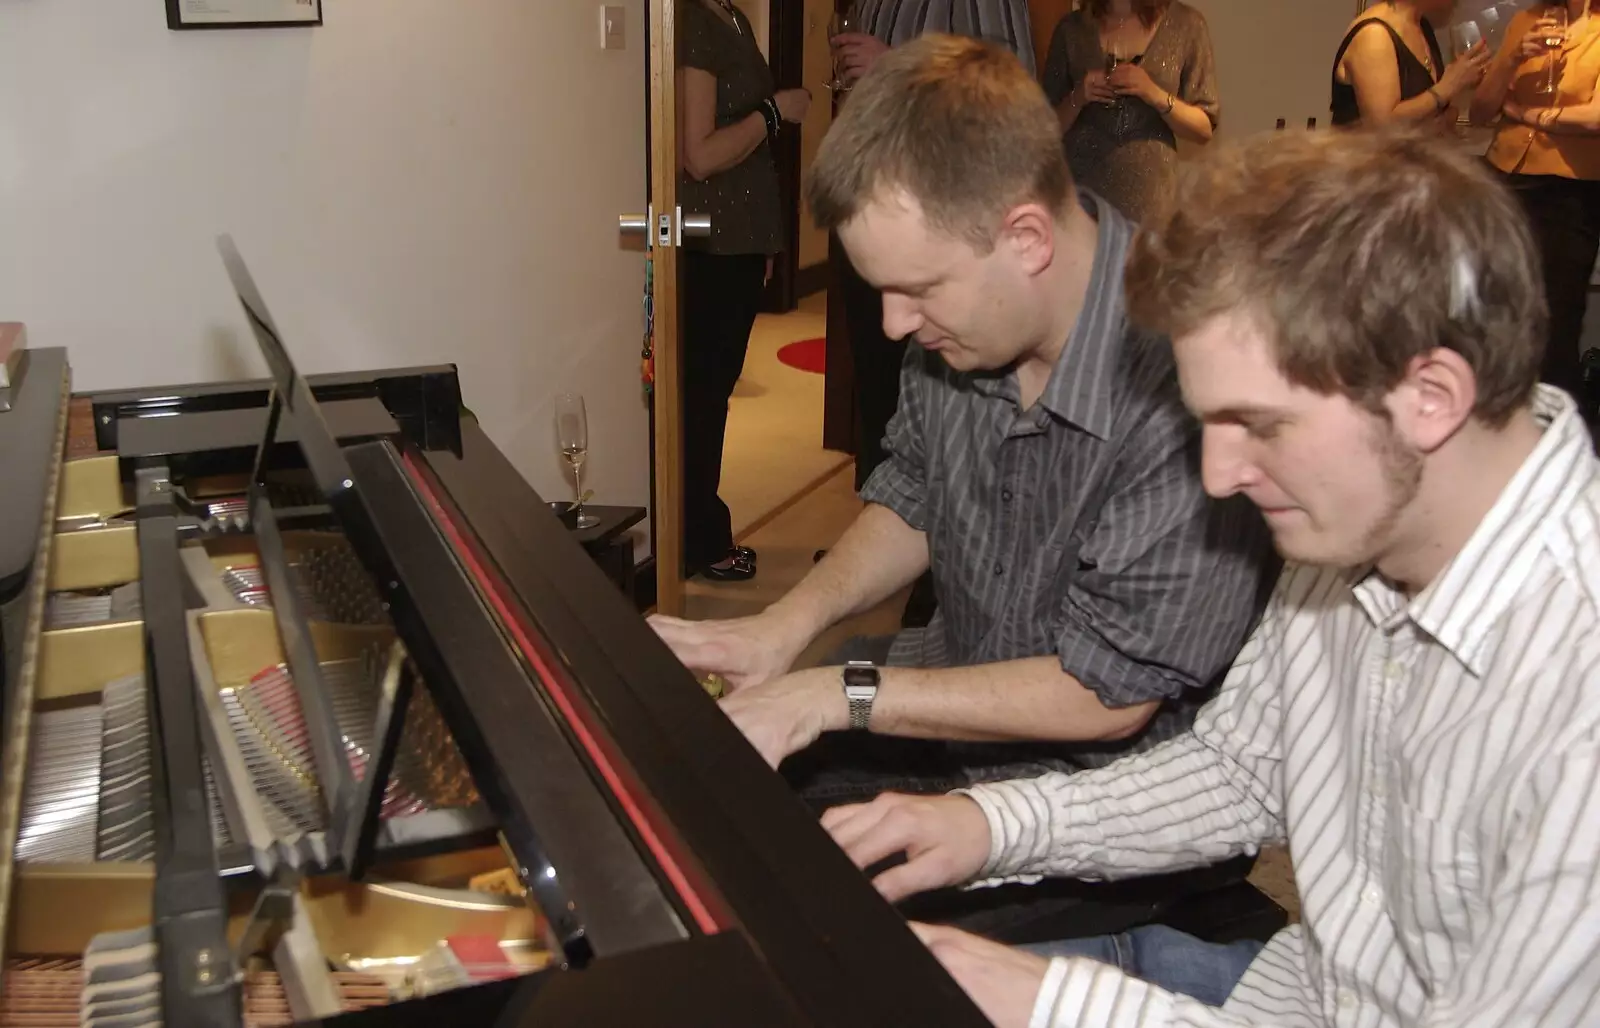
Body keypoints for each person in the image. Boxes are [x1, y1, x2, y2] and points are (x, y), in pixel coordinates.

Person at [823, 126, 1600, 1028]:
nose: (1220, 476)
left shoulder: (1575, 693)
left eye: (1259, 424)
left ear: (1431, 397)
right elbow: (1238, 770)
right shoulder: (1353, 533)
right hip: (1295, 996)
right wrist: (993, 826)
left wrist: (1065, 1003)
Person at [651, 36, 1274, 806]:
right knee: (707, 783)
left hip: (1104, 797)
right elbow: (916, 488)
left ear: (1026, 239)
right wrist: (777, 630)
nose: (893, 325)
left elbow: (1106, 696)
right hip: (951, 703)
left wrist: (836, 694)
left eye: (917, 288)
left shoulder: (1187, 382)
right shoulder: (961, 322)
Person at [822, 0, 1037, 630]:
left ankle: (942, 583)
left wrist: (897, 71)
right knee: (889, 409)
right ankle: (905, 573)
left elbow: (1013, 96)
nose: (900, 321)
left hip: (944, 225)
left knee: (966, 439)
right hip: (877, 216)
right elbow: (911, 478)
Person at [677, 0, 811, 581]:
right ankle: (700, 540)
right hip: (711, 246)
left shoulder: (730, 16)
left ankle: (700, 530)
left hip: (740, 244)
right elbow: (699, 155)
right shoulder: (693, 22)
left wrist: (766, 239)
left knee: (713, 391)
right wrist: (774, 113)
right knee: (702, 397)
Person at [1470, 0, 1600, 402]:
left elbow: (1595, 118)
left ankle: (1552, 426)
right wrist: (1510, 59)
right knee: (1493, 305)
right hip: (1503, 177)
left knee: (1556, 312)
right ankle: (1489, 413)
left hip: (1571, 189)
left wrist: (1530, 116)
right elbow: (1481, 111)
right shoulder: (1527, 20)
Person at [1040, 0, 1220, 222]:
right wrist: (1078, 97)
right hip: (1083, 198)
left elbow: (1203, 129)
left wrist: (1153, 94)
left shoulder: (1187, 25)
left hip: (1150, 198)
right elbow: (1044, 130)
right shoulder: (1071, 29)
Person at [1331, 0, 1489, 127]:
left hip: (1412, 164)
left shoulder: (1422, 27)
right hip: (1366, 165)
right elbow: (1382, 127)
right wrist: (1448, 86)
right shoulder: (1374, 35)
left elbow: (1432, 116)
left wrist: (1461, 80)